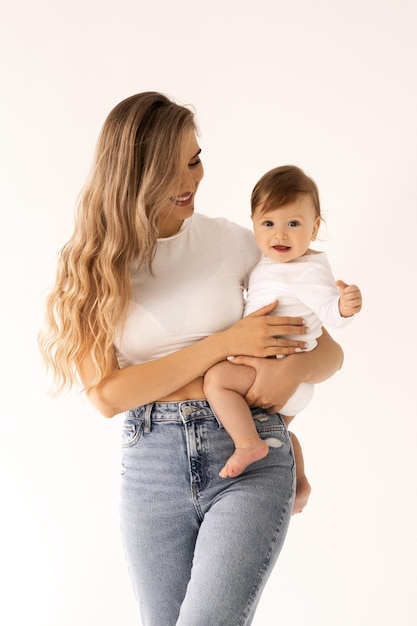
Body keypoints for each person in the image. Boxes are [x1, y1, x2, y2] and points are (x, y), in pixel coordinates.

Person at [39, 93, 344, 626]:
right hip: (152, 466)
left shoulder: (234, 243)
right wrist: (226, 343)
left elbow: (329, 351)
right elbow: (109, 396)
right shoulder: (91, 266)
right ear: (133, 174)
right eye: (172, 168)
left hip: (248, 451)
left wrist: (294, 369)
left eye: (196, 159)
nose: (192, 180)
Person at [204, 165, 362, 513]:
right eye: (268, 223)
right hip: (289, 381)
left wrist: (344, 306)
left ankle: (247, 444)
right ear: (253, 223)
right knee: (279, 434)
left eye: (293, 223)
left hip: (278, 372)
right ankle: (299, 481)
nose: (281, 234)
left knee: (217, 381)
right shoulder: (271, 263)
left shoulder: (306, 270)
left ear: (315, 227)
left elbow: (328, 310)